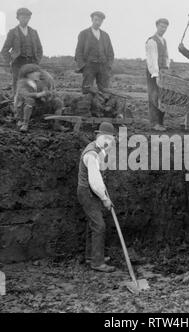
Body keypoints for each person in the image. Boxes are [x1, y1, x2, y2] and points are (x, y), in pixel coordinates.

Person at [77, 122, 116, 272]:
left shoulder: (99, 149)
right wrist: (105, 198)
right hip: (87, 191)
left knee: (92, 224)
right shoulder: (91, 154)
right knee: (99, 226)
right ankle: (97, 263)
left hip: (91, 190)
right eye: (107, 138)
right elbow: (95, 180)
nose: (109, 141)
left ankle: (91, 256)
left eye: (111, 138)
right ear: (99, 136)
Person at [1, 8, 43, 96]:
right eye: (22, 17)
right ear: (18, 18)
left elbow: (39, 49)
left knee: (32, 84)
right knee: (18, 85)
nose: (25, 19)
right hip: (18, 63)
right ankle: (17, 106)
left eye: (27, 17)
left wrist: (36, 61)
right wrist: (11, 61)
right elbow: (5, 50)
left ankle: (30, 105)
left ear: (29, 18)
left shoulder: (34, 32)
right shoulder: (12, 32)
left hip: (32, 63)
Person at [14, 64, 65, 132]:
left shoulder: (41, 82)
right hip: (25, 107)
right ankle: (25, 124)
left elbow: (48, 91)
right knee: (30, 100)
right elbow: (25, 94)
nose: (39, 74)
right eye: (36, 72)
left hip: (40, 105)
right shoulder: (22, 83)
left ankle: (57, 124)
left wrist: (49, 95)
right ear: (28, 74)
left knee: (58, 102)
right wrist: (39, 94)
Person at [75, 11, 114, 94]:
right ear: (92, 20)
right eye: (96, 20)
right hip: (89, 66)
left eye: (100, 21)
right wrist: (83, 66)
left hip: (103, 67)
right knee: (87, 91)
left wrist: (108, 66)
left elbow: (111, 52)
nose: (97, 22)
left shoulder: (105, 35)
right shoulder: (84, 34)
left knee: (105, 91)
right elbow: (78, 51)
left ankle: (102, 107)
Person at [146, 18, 170, 132]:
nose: (163, 29)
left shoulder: (164, 41)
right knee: (154, 97)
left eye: (165, 27)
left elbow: (166, 56)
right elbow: (152, 59)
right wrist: (156, 75)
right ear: (157, 26)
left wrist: (167, 69)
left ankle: (161, 122)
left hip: (163, 72)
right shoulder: (152, 41)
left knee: (163, 97)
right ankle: (154, 123)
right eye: (161, 26)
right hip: (153, 72)